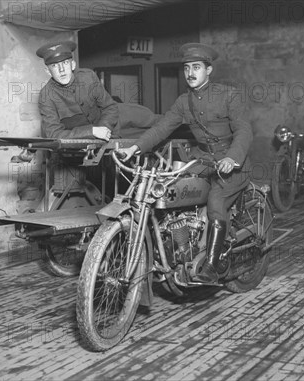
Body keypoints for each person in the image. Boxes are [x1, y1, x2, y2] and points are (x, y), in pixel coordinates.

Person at [117, 43, 253, 283]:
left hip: (232, 164)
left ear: (208, 70)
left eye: (197, 67)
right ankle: (181, 245)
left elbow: (243, 130)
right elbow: (161, 129)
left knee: (216, 200)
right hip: (202, 160)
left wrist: (232, 158)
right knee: (172, 190)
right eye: (187, 68)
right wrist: (135, 147)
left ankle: (211, 265)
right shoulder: (183, 102)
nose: (190, 73)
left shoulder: (228, 96)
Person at [35, 40, 161, 140]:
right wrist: (92, 131)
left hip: (113, 117)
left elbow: (110, 107)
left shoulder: (87, 77)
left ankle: (178, 121)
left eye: (65, 63)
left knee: (150, 119)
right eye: (54, 66)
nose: (61, 70)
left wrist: (102, 128)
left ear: (73, 65)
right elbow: (53, 134)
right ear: (48, 71)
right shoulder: (46, 96)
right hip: (89, 135)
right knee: (146, 136)